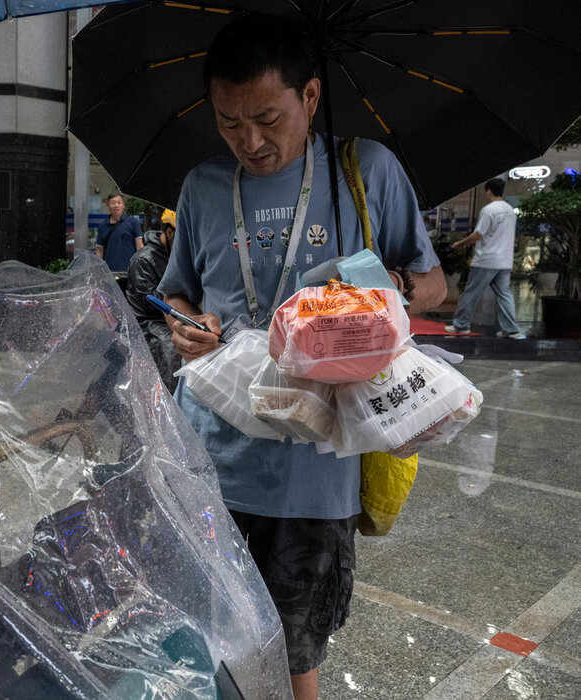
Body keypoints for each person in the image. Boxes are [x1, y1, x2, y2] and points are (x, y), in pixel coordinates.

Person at [155, 16, 445, 700]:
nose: (250, 142)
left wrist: (384, 291)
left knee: (295, 647)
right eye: (229, 122)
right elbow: (175, 293)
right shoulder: (201, 186)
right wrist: (185, 324)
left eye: (267, 118)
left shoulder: (364, 170)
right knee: (203, 636)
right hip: (208, 457)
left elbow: (432, 283)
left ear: (310, 98)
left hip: (313, 470)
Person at [444, 178, 525, 338]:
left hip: (486, 260)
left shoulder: (489, 210)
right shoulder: (510, 210)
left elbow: (478, 235)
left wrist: (459, 244)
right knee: (505, 294)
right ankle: (511, 329)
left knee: (471, 292)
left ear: (488, 191)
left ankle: (461, 325)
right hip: (504, 261)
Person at [126, 209, 181, 392]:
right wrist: (180, 298)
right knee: (171, 348)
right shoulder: (144, 259)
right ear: (169, 232)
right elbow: (147, 300)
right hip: (148, 321)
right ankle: (169, 400)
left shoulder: (177, 256)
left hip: (176, 314)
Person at [95, 192, 143, 276]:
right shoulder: (103, 226)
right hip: (110, 272)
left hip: (131, 271)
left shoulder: (133, 222)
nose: (116, 205)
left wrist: (142, 267)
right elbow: (99, 250)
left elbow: (139, 246)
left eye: (119, 202)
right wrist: (99, 270)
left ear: (123, 205)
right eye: (113, 203)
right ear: (108, 205)